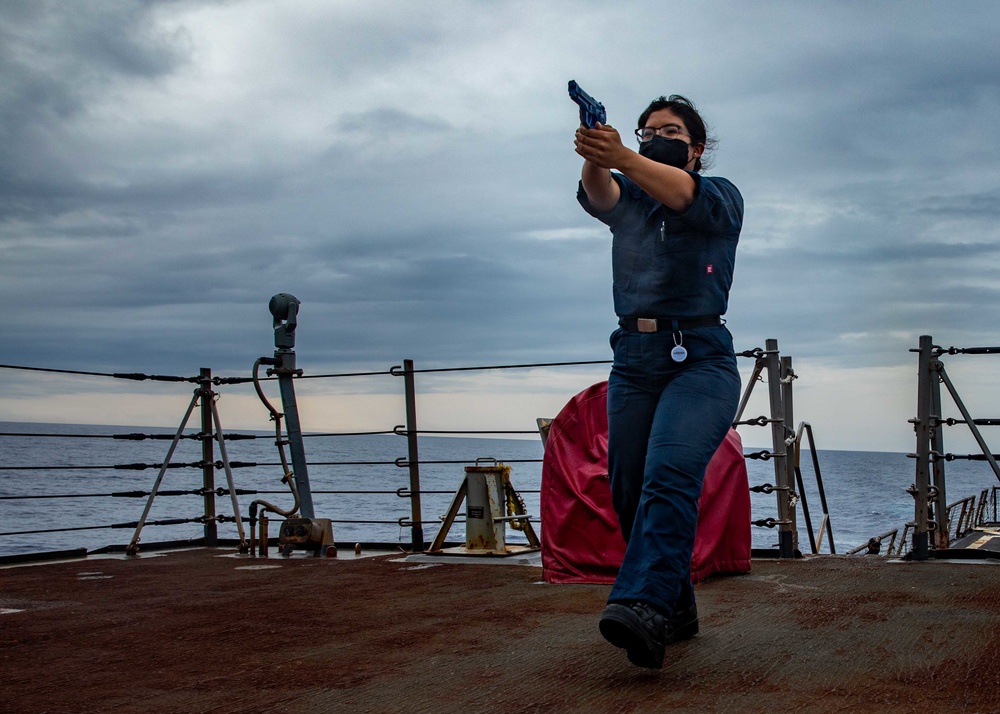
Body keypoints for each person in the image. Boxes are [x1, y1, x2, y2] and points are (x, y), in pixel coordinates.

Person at [574, 95, 743, 669]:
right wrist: (597, 150)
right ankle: (679, 606)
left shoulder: (719, 195)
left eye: (670, 131)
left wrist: (622, 152)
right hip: (635, 359)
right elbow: (601, 195)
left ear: (695, 147)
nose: (656, 138)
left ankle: (644, 606)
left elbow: (682, 193)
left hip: (702, 360)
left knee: (670, 470)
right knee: (627, 486)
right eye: (648, 132)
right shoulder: (633, 200)